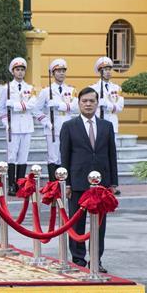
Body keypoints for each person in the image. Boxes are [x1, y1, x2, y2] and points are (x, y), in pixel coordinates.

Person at [60, 87, 118, 273]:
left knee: (99, 224)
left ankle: (96, 259)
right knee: (76, 222)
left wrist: (113, 183)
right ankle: (78, 260)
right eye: (84, 101)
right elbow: (65, 155)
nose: (88, 104)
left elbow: (112, 155)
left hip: (101, 184)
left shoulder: (106, 126)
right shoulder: (69, 126)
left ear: (97, 103)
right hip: (77, 182)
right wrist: (66, 183)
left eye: (91, 101)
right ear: (78, 103)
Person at [0, 57, 38, 195]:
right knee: (12, 156)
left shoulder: (30, 88)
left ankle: (21, 183)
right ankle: (12, 185)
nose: (20, 72)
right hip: (13, 125)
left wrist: (15, 105)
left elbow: (33, 105)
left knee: (23, 156)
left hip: (26, 125)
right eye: (17, 70)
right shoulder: (7, 88)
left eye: (22, 70)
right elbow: (1, 109)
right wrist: (5, 123)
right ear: (12, 72)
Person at [35, 59, 78, 181]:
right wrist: (46, 122)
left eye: (63, 71)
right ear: (53, 74)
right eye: (58, 71)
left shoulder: (71, 90)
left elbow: (75, 107)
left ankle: (64, 183)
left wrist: (59, 105)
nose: (61, 74)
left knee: (65, 155)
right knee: (53, 157)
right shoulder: (45, 91)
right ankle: (53, 185)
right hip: (52, 127)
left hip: (68, 124)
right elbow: (36, 110)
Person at [91, 56, 124, 194]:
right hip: (98, 124)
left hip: (112, 124)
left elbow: (120, 107)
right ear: (100, 71)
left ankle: (112, 183)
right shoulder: (93, 88)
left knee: (111, 154)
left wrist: (108, 104)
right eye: (105, 69)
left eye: (110, 69)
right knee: (98, 154)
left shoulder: (116, 88)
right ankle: (97, 181)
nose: (108, 72)